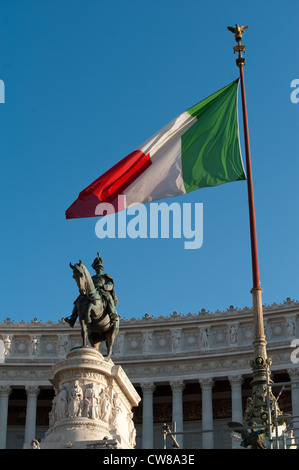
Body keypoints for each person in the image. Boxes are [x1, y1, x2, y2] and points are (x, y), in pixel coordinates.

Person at [91, 253, 118, 324]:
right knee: (79, 300)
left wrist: (104, 287)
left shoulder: (106, 277)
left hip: (102, 291)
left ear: (102, 269)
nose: (98, 270)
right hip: (93, 292)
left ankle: (112, 313)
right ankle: (73, 317)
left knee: (108, 297)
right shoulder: (92, 278)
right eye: (97, 268)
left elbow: (110, 285)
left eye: (100, 268)